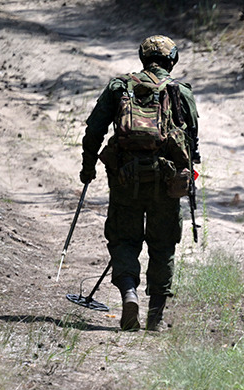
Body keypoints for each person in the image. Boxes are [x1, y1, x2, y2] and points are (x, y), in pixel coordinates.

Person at [79, 35, 200, 331]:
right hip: (166, 180)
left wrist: (88, 167)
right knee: (162, 243)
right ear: (172, 60)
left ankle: (129, 294)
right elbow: (192, 142)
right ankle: (155, 318)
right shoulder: (179, 91)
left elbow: (94, 129)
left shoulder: (119, 87)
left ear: (142, 59)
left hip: (125, 179)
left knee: (123, 238)